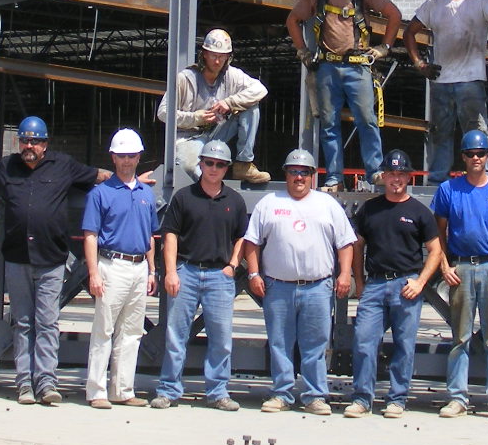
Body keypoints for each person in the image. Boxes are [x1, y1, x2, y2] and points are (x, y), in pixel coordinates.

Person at [0, 115, 110, 406]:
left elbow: (97, 175)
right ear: (19, 142)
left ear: (45, 144)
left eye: (35, 141)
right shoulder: (7, 166)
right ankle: (24, 384)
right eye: (25, 140)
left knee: (48, 322)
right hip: (17, 259)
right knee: (24, 323)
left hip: (51, 259)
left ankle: (47, 382)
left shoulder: (63, 165)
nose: (29, 145)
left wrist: (129, 178)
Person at [243, 148, 356, 415]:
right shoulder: (269, 202)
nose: (299, 177)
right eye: (294, 171)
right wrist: (253, 274)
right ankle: (281, 393)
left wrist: (344, 274)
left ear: (313, 176)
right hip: (278, 286)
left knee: (315, 345)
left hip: (318, 286)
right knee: (279, 342)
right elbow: (252, 242)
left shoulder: (327, 204)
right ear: (286, 174)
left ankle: (315, 395)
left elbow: (346, 243)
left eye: (304, 172)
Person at [285, 0, 402, 193]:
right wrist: (302, 50)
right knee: (329, 124)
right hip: (328, 66)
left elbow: (394, 14)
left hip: (358, 66)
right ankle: (334, 178)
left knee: (367, 120)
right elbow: (292, 19)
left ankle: (374, 171)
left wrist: (385, 47)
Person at [431, 129, 488, 420]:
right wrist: (446, 266)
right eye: (471, 154)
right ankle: (457, 398)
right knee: (460, 338)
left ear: (487, 156)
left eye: (481, 154)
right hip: (461, 268)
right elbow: (439, 231)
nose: (476, 158)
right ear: (463, 157)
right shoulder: (449, 190)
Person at [151, 139, 248, 411]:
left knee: (221, 337)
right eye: (209, 163)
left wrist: (232, 265)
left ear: (226, 168)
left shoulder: (236, 201)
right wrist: (171, 272)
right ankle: (169, 390)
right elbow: (169, 235)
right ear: (201, 164)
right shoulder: (184, 197)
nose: (214, 168)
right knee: (175, 336)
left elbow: (243, 236)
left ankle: (218, 392)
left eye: (219, 164)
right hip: (187, 273)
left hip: (219, 276)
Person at [345, 149, 443, 418]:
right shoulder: (370, 209)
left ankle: (397, 399)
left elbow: (435, 250)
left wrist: (421, 282)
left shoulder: (420, 212)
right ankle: (362, 399)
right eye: (391, 174)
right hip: (375, 285)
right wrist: (360, 282)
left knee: (404, 345)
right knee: (364, 341)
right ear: (384, 176)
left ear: (408, 177)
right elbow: (357, 245)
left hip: (406, 286)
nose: (396, 179)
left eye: (401, 174)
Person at [406, 0, 488, 185]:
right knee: (440, 132)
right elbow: (409, 32)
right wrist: (420, 63)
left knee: (476, 131)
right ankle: (436, 181)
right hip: (442, 81)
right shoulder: (434, 4)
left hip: (470, 80)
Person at [81, 128, 158, 409]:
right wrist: (93, 273)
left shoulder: (146, 194)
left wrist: (152, 270)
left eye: (132, 156)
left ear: (139, 158)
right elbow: (90, 235)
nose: (127, 161)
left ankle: (123, 390)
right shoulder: (100, 193)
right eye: (122, 156)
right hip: (111, 265)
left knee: (132, 332)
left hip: (139, 268)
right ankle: (97, 390)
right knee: (104, 330)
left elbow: (150, 235)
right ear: (113, 158)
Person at [156, 28, 270, 185]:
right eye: (214, 56)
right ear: (204, 54)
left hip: (217, 130)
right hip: (188, 137)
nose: (217, 61)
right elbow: (163, 113)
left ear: (228, 58)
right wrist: (196, 118)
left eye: (222, 57)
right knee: (188, 167)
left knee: (251, 107)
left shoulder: (231, 75)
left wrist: (229, 102)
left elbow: (260, 89)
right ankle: (210, 190)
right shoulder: (185, 79)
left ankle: (243, 164)